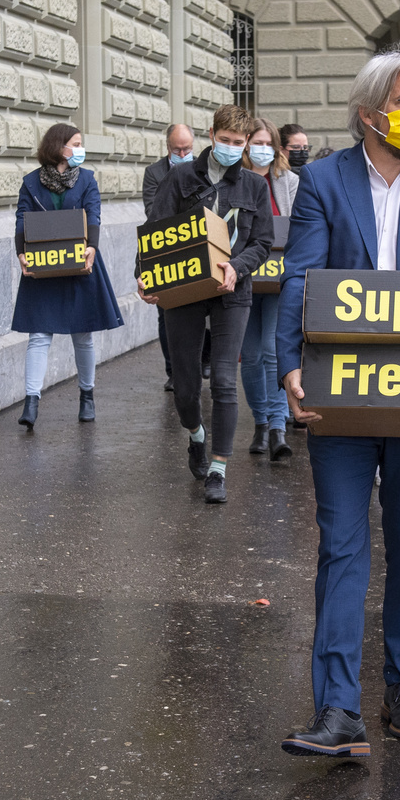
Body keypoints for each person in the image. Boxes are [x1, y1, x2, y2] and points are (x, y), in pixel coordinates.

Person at [276, 48, 400, 757]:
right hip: (340, 392)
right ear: (368, 114)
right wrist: (288, 370)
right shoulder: (323, 181)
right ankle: (336, 707)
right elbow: (300, 276)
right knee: (341, 545)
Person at [139, 105, 274, 504]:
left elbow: (262, 242)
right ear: (212, 135)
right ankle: (196, 435)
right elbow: (155, 230)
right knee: (184, 386)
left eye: (239, 142)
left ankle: (218, 469)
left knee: (225, 381)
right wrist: (144, 276)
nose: (232, 148)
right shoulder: (181, 178)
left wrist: (238, 266)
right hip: (184, 288)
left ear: (246, 143)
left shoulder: (254, 187)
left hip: (234, 290)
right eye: (226, 140)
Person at [12, 123, 123, 429]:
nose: (80, 148)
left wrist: (92, 247)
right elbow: (22, 219)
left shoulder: (86, 178)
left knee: (83, 334)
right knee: (39, 334)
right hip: (44, 264)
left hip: (79, 264)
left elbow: (94, 212)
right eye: (75, 143)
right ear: (60, 146)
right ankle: (31, 402)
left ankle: (87, 397)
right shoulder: (31, 182)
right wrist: (21, 252)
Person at [240, 117, 299, 460]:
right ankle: (260, 422)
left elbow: (296, 225)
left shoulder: (289, 181)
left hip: (278, 280)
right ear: (247, 145)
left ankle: (278, 426)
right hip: (245, 278)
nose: (261, 149)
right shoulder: (237, 180)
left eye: (267, 143)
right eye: (256, 143)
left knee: (271, 349)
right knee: (249, 356)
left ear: (276, 147)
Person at [144, 123, 209, 391]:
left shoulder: (203, 170)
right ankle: (173, 370)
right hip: (166, 250)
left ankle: (204, 360)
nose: (182, 153)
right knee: (166, 313)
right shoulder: (154, 173)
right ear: (167, 147)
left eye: (187, 149)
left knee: (206, 310)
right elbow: (153, 210)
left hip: (200, 247)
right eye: (176, 149)